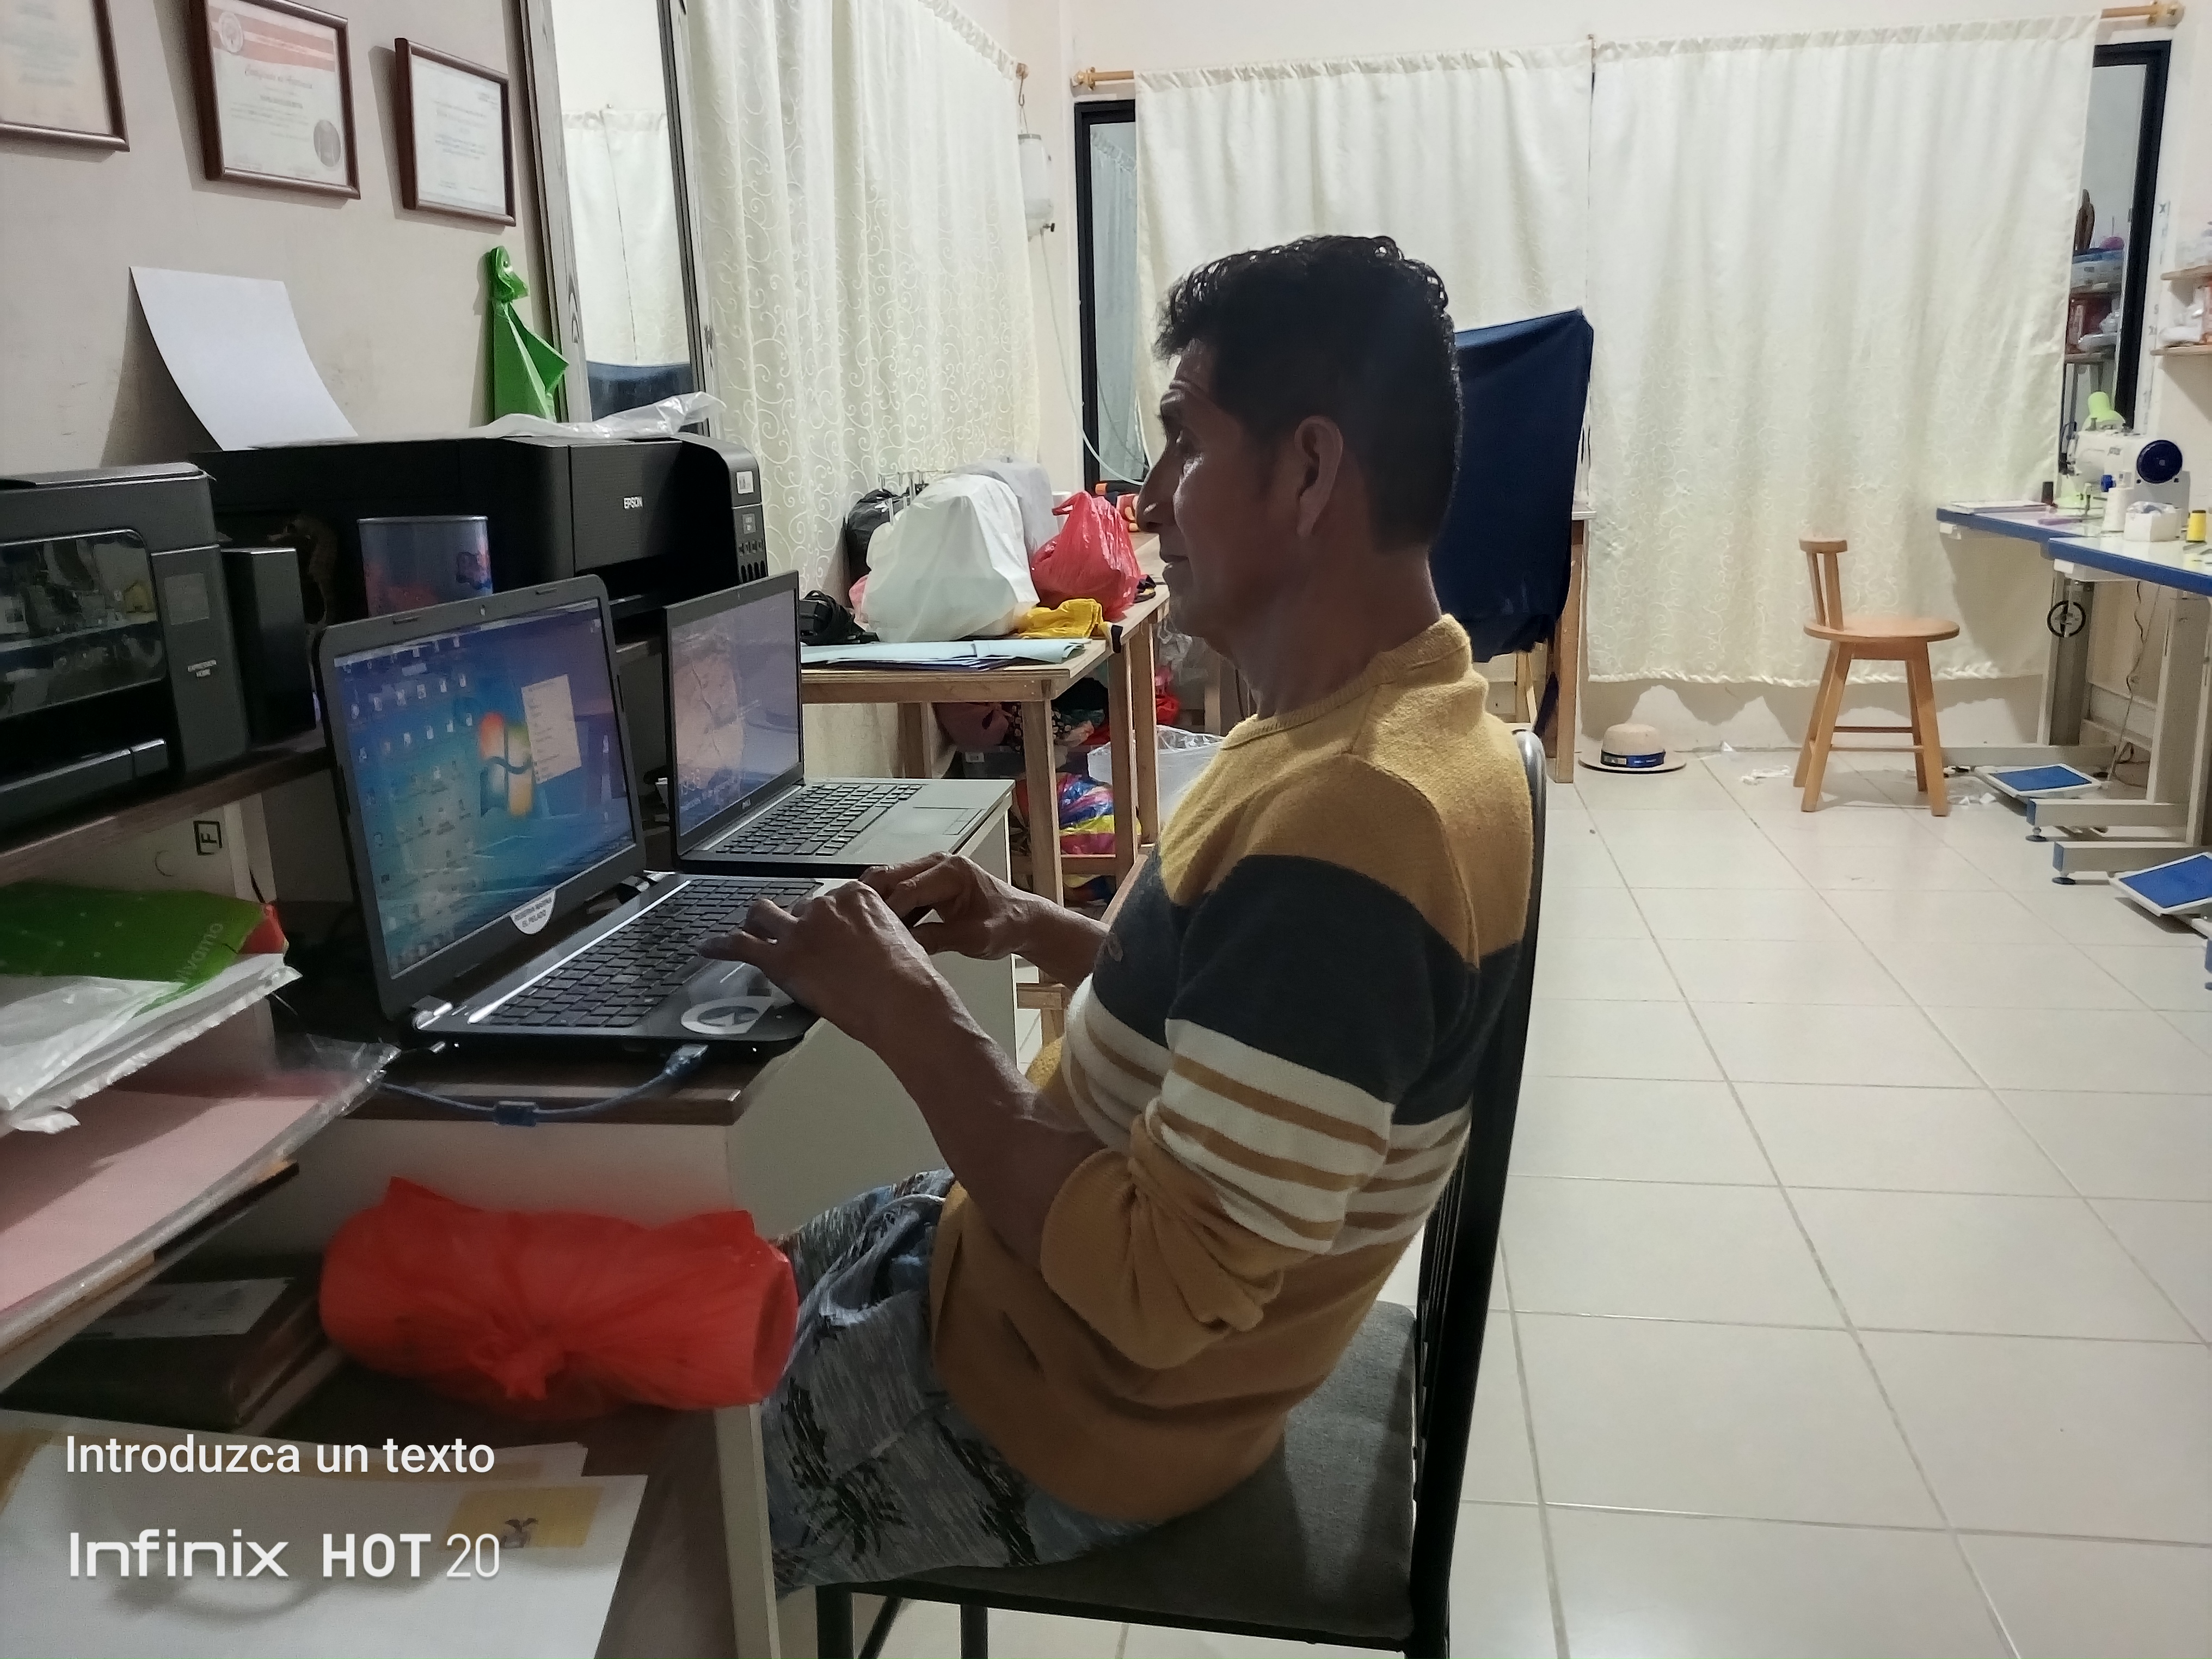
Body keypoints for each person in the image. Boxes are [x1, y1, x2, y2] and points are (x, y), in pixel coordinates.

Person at [702, 234, 1534, 1595]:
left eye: (1183, 442)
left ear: (1308, 472)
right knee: (661, 1310)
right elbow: (1261, 1030)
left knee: (643, 1506)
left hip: (1052, 1413)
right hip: (1016, 1282)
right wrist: (1036, 927)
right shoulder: (1394, 727)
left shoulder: (1359, 821)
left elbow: (1156, 1289)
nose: (1146, 502)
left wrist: (907, 1015)